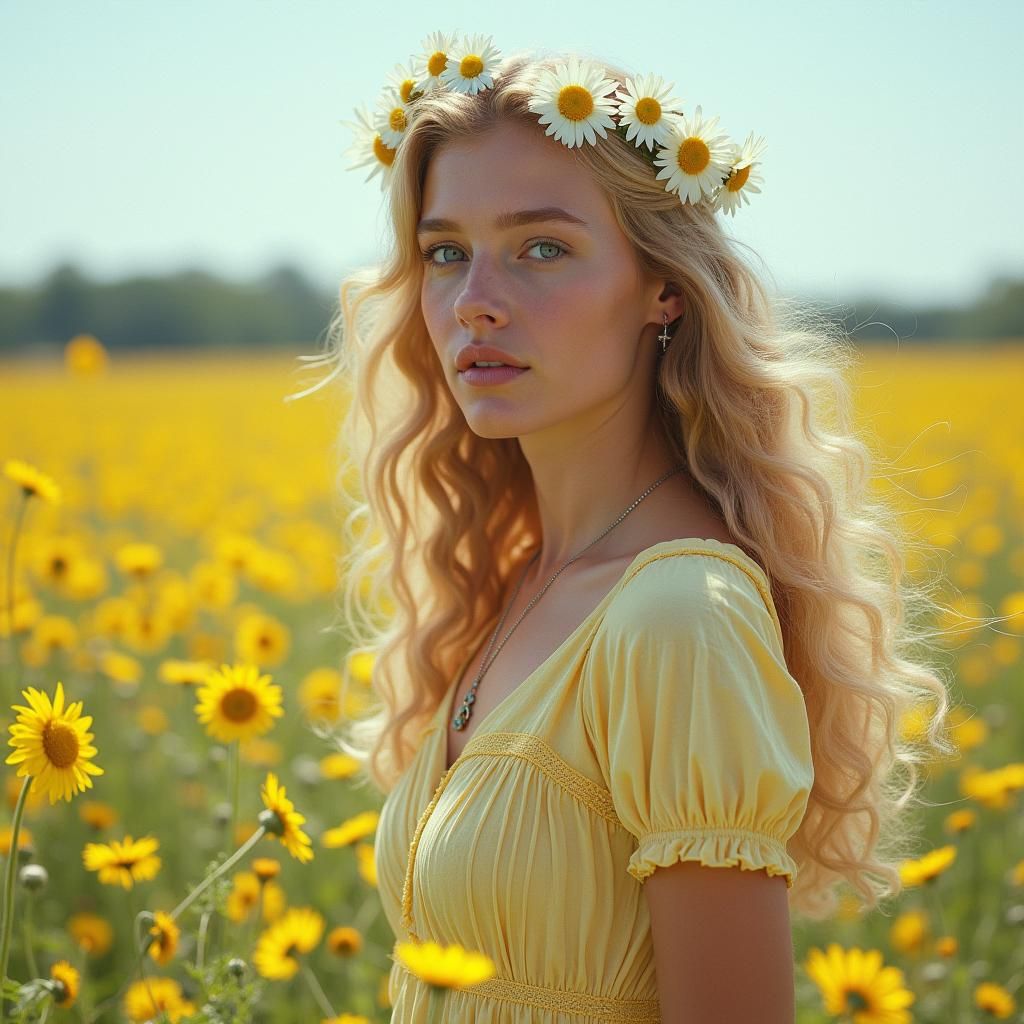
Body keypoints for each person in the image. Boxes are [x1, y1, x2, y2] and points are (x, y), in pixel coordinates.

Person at [301, 32, 957, 1022]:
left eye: (541, 248)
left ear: (661, 287)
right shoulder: (521, 579)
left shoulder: (677, 614)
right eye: (445, 253)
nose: (474, 303)